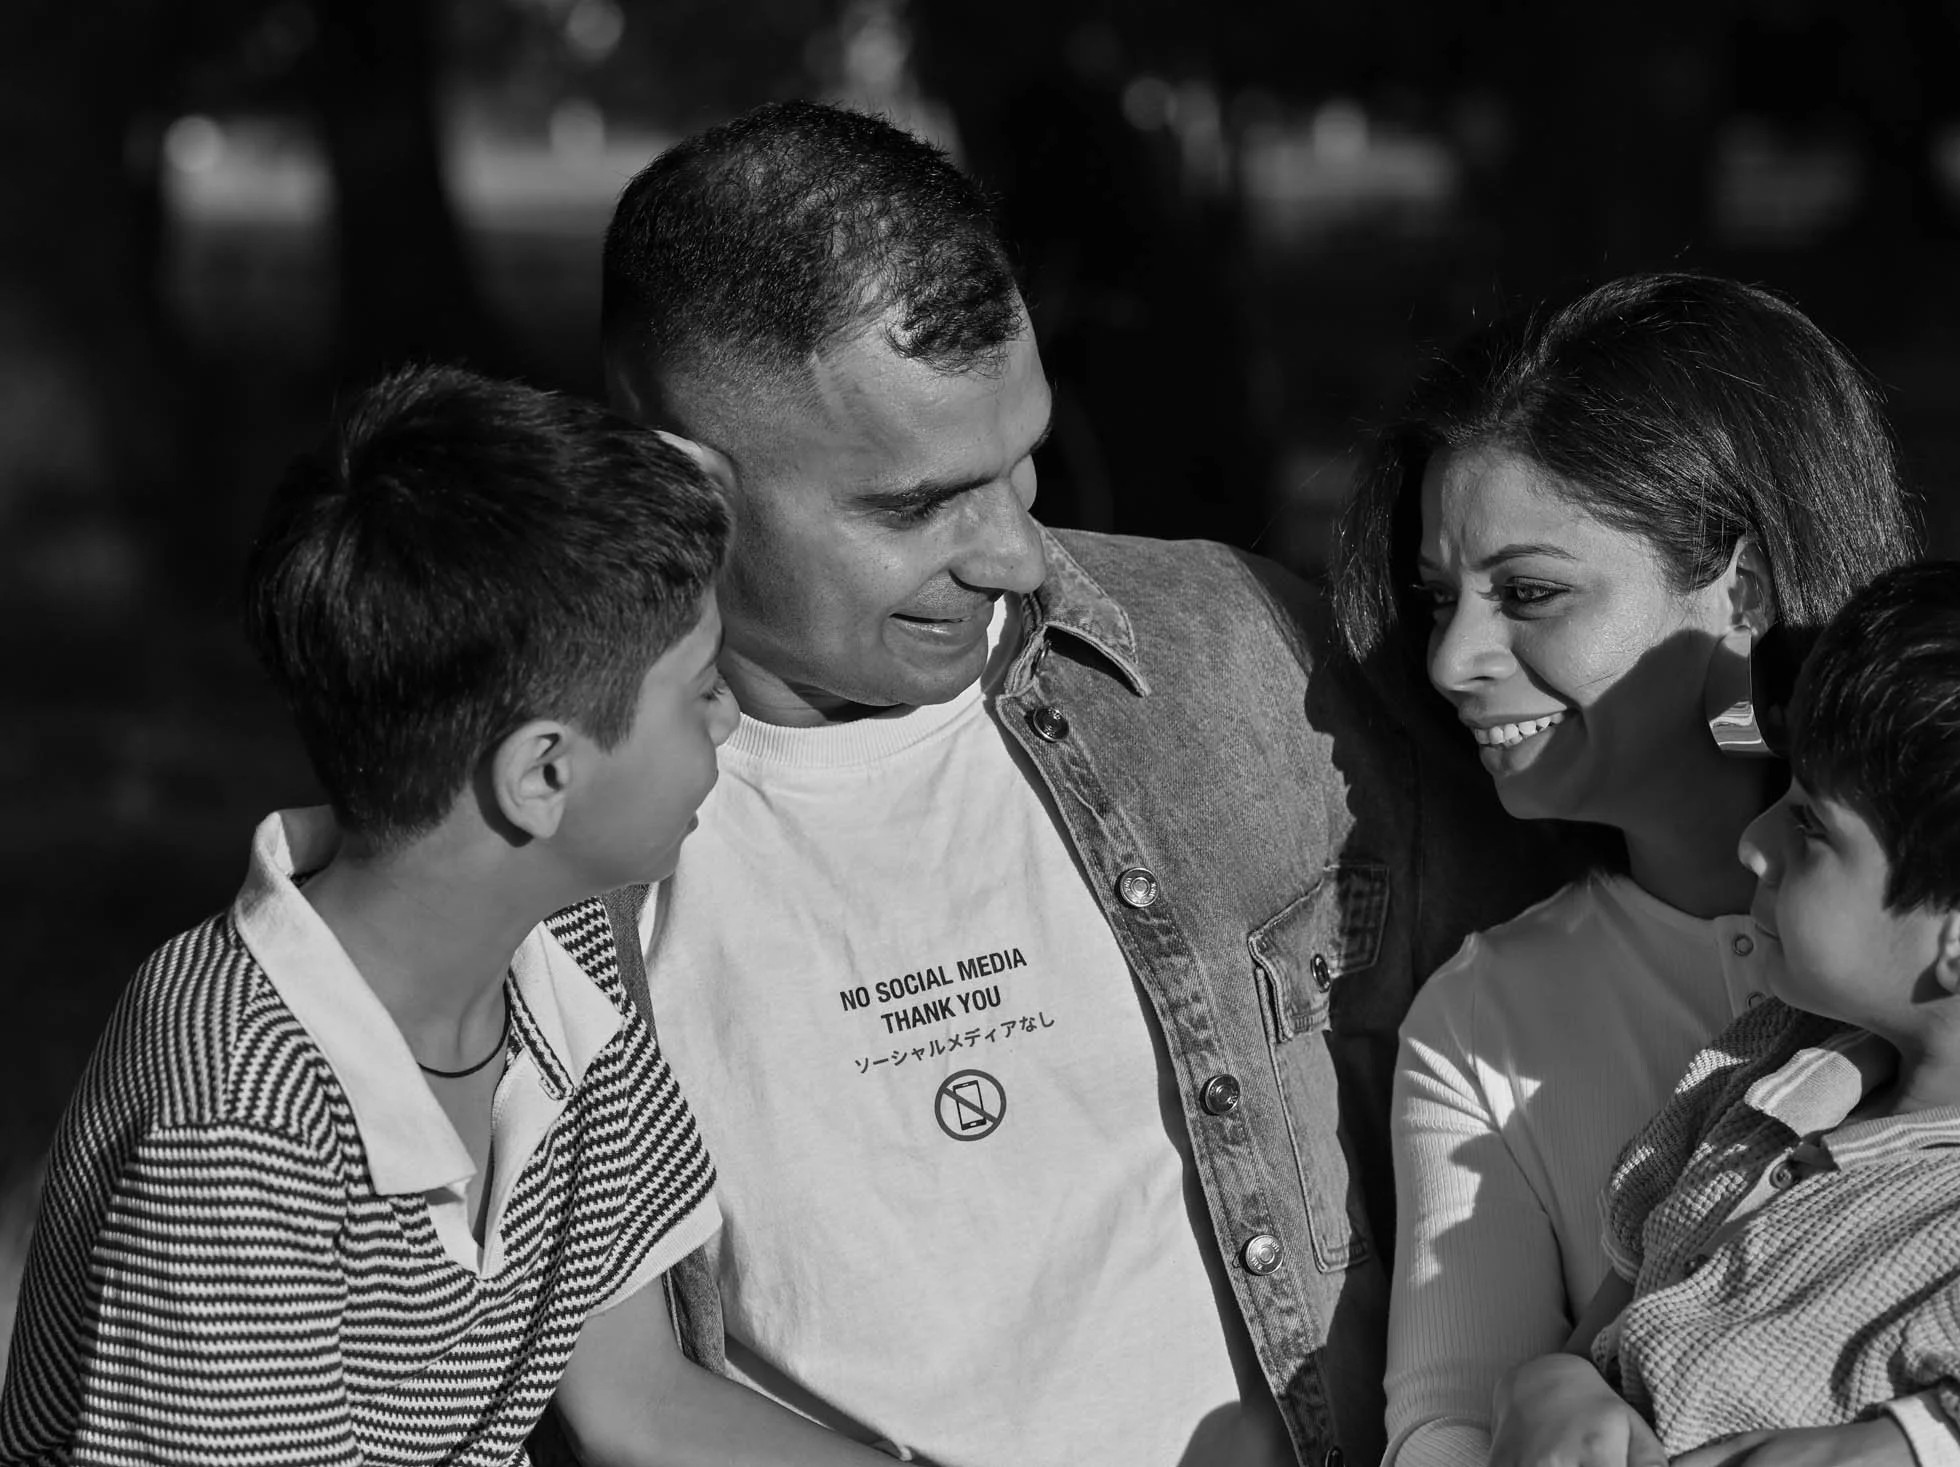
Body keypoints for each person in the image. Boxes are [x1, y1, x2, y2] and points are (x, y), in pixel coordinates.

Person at [597, 100, 1556, 1467]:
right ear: (682, 482)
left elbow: (1569, 1097)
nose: (1014, 554)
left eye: (1022, 464)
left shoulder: (1249, 658)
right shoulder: (546, 829)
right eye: (917, 505)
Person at [1333, 273, 1960, 1467]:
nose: (1450, 659)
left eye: (1528, 593)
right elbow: (1443, 1423)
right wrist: (1542, 1393)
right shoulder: (1486, 1014)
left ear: (1740, 591)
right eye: (1438, 599)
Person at [0, 368, 892, 1466]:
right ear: (542, 775)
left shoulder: (560, 966)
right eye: (701, 687)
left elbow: (641, 1402)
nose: (729, 714)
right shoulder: (236, 1126)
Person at [1496, 557, 1960, 1464]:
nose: (1754, 844)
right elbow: (1602, 1335)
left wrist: (1899, 1446)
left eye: (1811, 825)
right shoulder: (1764, 1079)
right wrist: (1550, 1386)